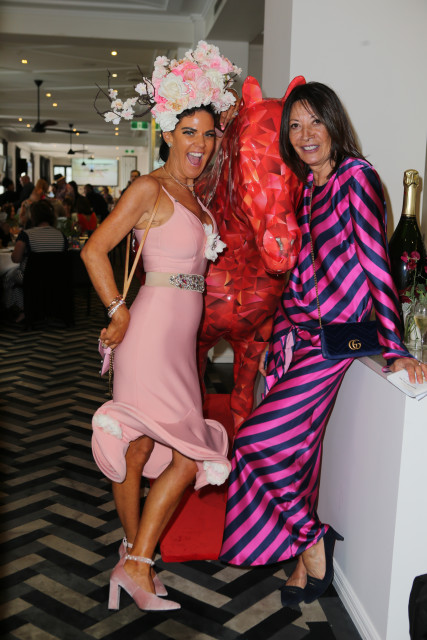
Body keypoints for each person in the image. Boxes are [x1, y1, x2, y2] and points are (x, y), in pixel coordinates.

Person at [219, 81, 427, 606]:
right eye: (295, 125)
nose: (305, 134)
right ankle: (299, 555)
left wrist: (395, 347)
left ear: (335, 123)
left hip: (336, 339)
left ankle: (313, 540)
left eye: (315, 121)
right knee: (299, 452)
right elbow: (301, 271)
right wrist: (276, 333)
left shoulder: (357, 178)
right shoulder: (309, 187)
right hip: (295, 336)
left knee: (254, 443)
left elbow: (376, 263)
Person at [82, 41, 241, 612]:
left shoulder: (195, 198)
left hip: (180, 342)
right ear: (168, 133)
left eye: (209, 134)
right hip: (148, 334)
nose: (200, 144)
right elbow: (94, 250)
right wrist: (116, 309)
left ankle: (133, 557)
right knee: (179, 451)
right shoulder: (148, 188)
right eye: (189, 132)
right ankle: (139, 563)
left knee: (148, 447)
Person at [5, 200, 67, 321]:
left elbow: (16, 258)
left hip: (31, 276)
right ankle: (40, 307)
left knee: (9, 277)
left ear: (33, 216)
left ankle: (23, 309)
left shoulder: (26, 234)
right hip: (55, 277)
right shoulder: (61, 235)